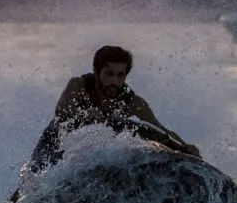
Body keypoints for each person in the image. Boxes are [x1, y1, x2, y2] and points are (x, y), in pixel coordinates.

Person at [27, 45, 199, 170]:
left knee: (142, 136)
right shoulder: (79, 86)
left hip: (86, 153)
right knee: (37, 169)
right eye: (109, 74)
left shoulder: (134, 103)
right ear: (96, 72)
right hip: (55, 142)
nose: (115, 82)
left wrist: (185, 147)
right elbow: (60, 112)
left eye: (120, 75)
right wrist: (84, 113)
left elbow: (161, 130)